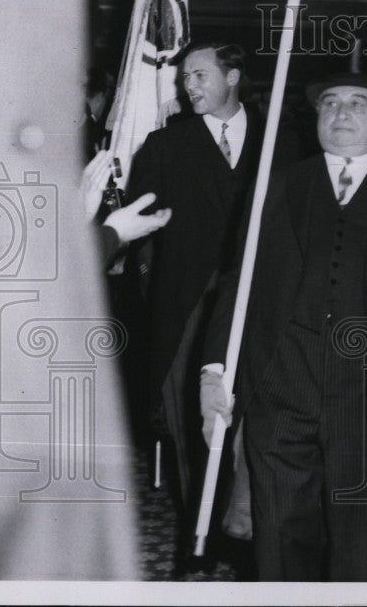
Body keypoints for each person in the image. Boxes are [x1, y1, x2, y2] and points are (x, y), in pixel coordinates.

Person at [200, 70, 367, 581]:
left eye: (357, 103)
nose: (342, 113)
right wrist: (213, 371)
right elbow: (237, 284)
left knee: (364, 541)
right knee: (280, 534)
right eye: (330, 104)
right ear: (317, 119)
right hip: (282, 382)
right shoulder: (279, 185)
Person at [123, 41, 270, 556]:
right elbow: (135, 229)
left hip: (263, 305)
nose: (189, 86)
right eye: (186, 77)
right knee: (193, 425)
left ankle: (250, 535)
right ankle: (198, 540)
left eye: (200, 75)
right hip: (187, 306)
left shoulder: (282, 139)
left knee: (259, 423)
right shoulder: (166, 146)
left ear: (233, 76)